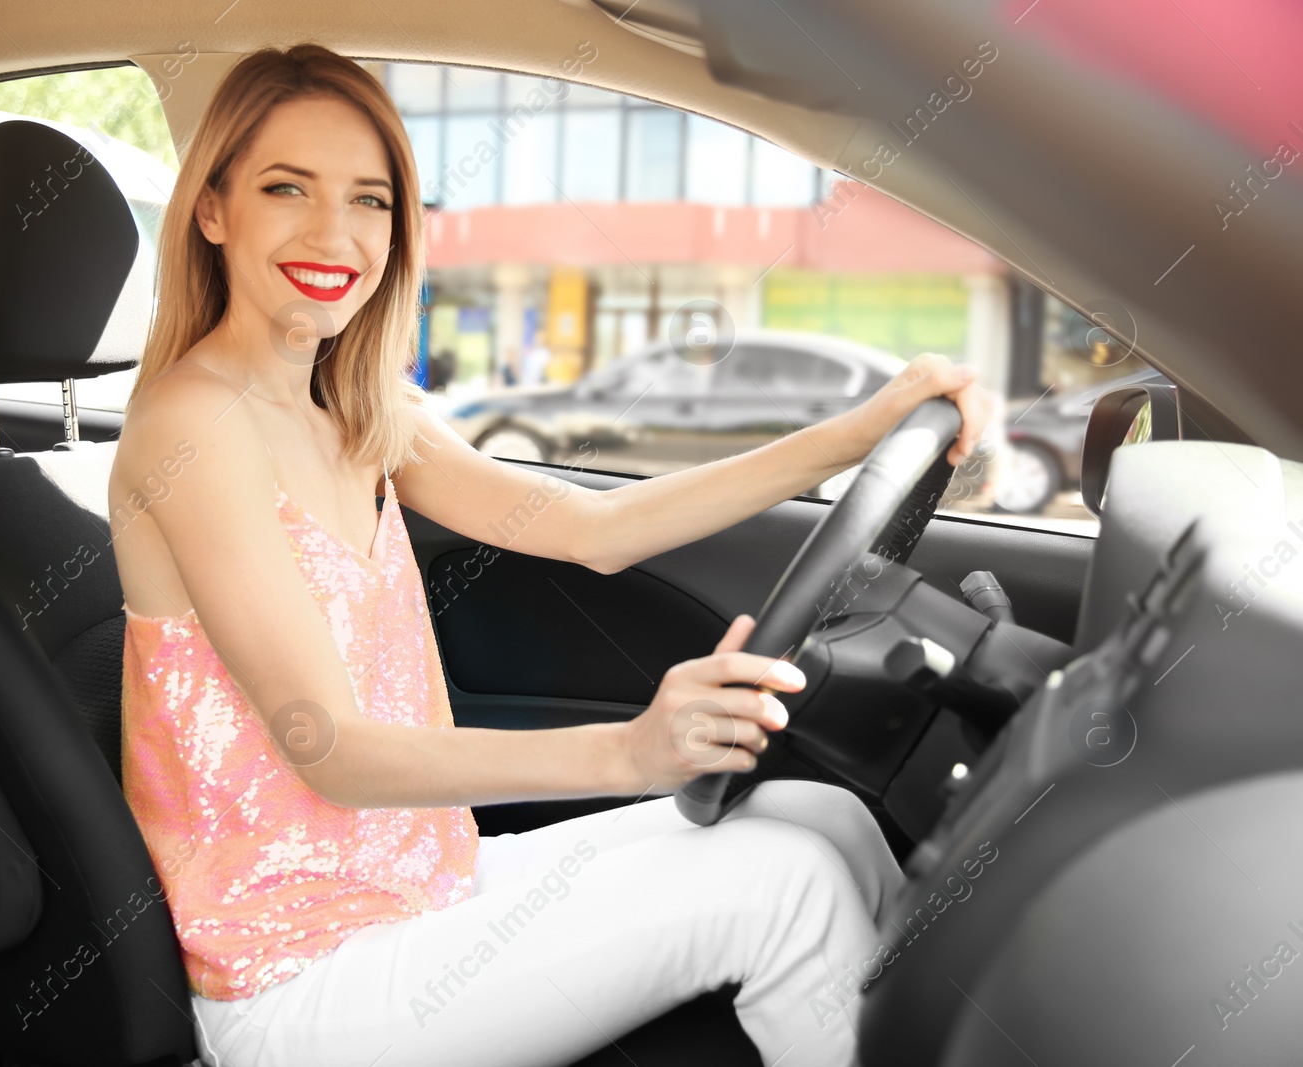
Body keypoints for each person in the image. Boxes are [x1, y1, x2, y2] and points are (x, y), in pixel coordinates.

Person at [109, 44, 990, 1067]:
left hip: (422, 883)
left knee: (821, 813)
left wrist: (857, 431)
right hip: (292, 973)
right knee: (784, 890)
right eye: (285, 189)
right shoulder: (191, 425)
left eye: (370, 199)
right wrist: (631, 749)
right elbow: (331, 745)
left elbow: (592, 528)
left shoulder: (354, 406)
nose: (333, 233)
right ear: (211, 208)